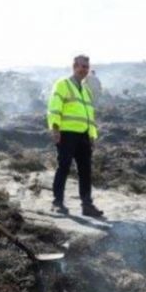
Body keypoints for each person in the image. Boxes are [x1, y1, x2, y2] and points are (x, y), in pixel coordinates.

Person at [47, 55, 103, 217]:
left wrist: (92, 135)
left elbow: (89, 115)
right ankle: (57, 203)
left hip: (84, 135)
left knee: (85, 170)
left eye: (86, 67)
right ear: (74, 66)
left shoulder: (85, 90)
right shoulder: (62, 84)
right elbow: (54, 108)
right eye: (81, 66)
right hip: (67, 134)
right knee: (63, 166)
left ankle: (87, 205)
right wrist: (55, 129)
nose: (84, 69)